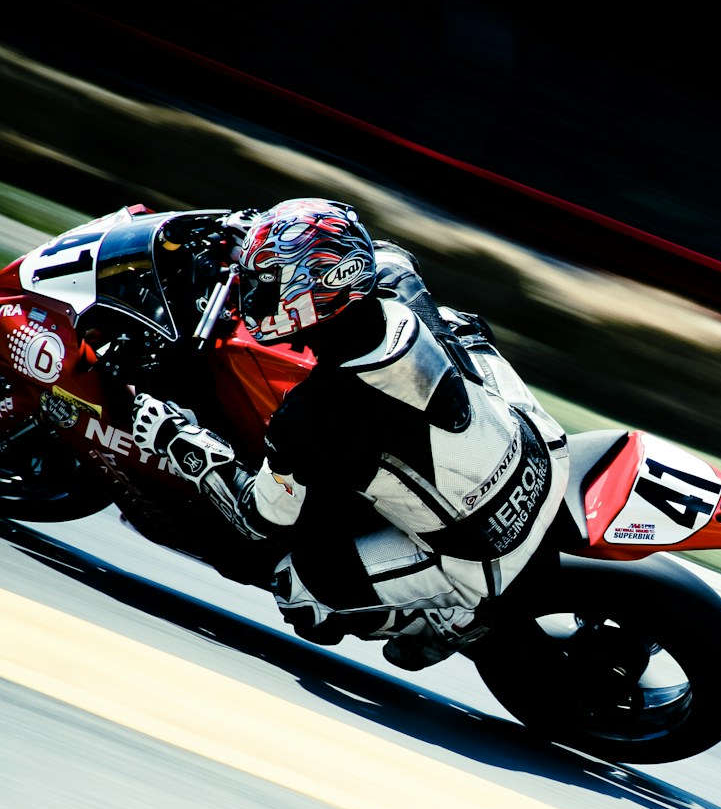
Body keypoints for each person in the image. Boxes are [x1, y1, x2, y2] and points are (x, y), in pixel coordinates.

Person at [129, 198, 571, 670]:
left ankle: (453, 618)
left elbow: (262, 519)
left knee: (300, 593)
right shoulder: (394, 277)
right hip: (542, 453)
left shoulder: (313, 414)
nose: (253, 295)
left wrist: (180, 442)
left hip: (483, 549)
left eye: (267, 284)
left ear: (312, 294)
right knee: (462, 328)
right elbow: (372, 251)